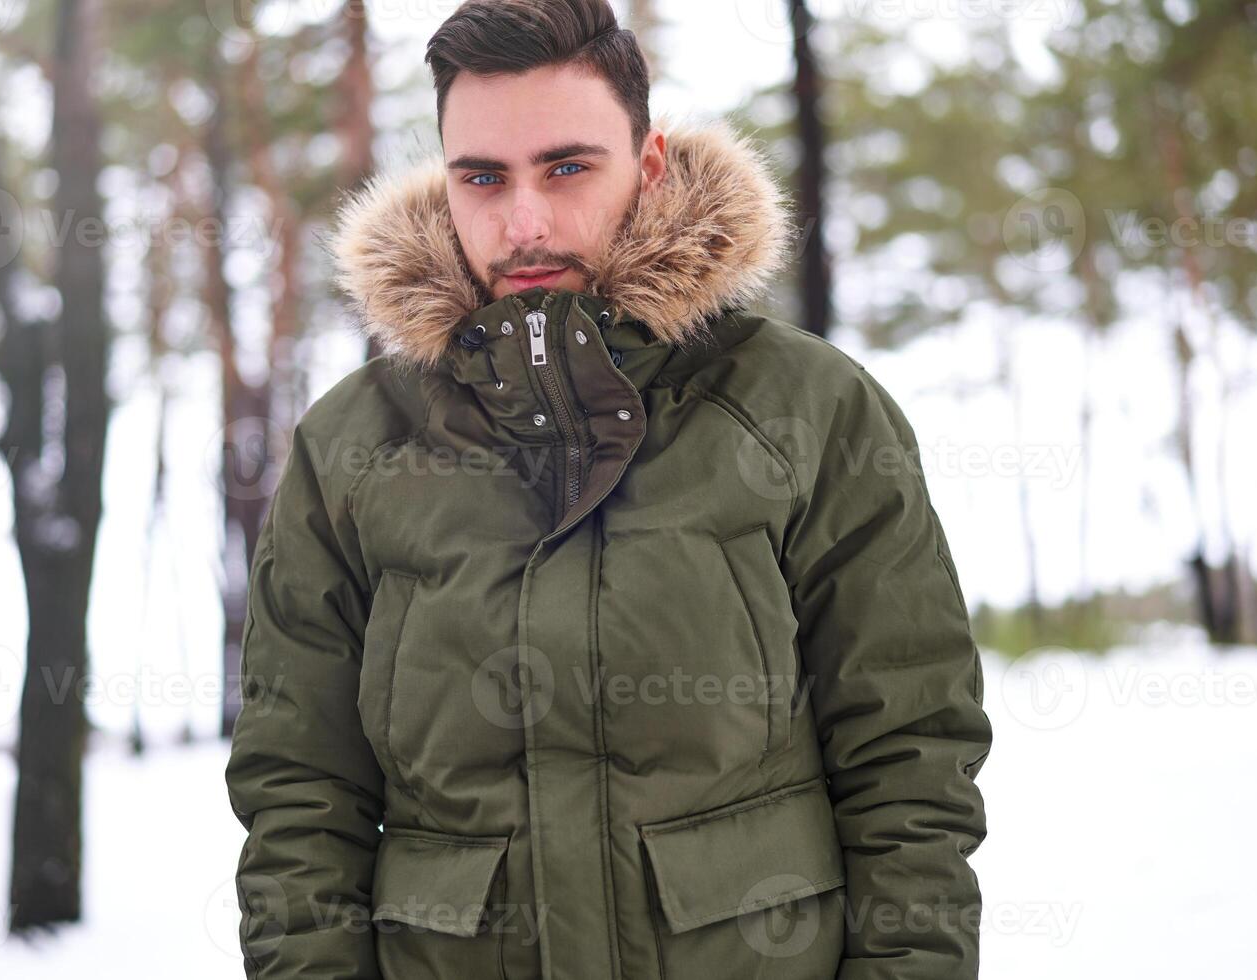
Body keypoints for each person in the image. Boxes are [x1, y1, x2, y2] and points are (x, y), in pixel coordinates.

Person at [224, 1, 992, 978]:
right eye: (484, 178)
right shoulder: (352, 449)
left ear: (652, 163)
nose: (525, 220)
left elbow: (911, 758)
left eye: (569, 166)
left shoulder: (808, 412)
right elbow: (300, 791)